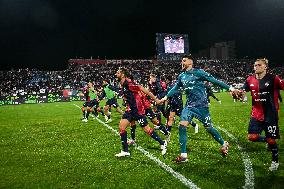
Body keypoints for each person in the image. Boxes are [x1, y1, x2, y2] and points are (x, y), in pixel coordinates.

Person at [158, 54, 238, 163]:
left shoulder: (199, 72)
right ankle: (183, 155)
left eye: (184, 60)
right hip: (189, 106)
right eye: (182, 61)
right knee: (182, 126)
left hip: (202, 106)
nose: (182, 62)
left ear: (190, 62)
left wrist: (231, 88)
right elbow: (176, 88)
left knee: (209, 128)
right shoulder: (182, 76)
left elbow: (214, 81)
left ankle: (224, 143)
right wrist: (166, 97)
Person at [240, 58, 284, 171]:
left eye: (259, 65)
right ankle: (268, 140)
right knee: (252, 137)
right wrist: (240, 94)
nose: (256, 67)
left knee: (272, 141)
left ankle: (275, 161)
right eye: (255, 65)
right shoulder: (250, 79)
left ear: (265, 67)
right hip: (256, 114)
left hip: (271, 115)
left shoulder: (273, 79)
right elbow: (243, 91)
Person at [114, 67, 167, 157]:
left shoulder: (128, 83)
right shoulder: (122, 83)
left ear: (122, 74)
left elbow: (142, 89)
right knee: (121, 127)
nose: (116, 74)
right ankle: (125, 151)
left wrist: (155, 99)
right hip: (129, 110)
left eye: (118, 73)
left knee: (147, 129)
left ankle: (162, 142)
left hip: (137, 110)